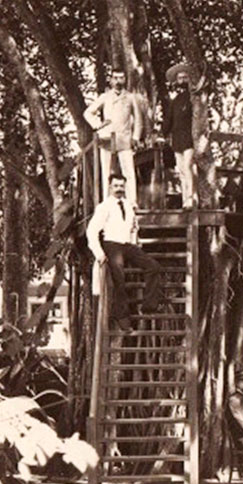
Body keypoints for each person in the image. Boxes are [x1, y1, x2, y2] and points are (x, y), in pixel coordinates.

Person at [86, 174, 161, 330]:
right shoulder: (104, 207)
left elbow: (133, 226)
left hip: (127, 245)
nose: (119, 189)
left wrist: (135, 242)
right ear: (110, 187)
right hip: (111, 244)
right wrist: (99, 254)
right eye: (116, 186)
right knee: (119, 279)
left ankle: (149, 307)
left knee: (153, 266)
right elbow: (91, 231)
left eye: (121, 186)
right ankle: (122, 317)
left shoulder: (127, 205)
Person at [84, 69, 144, 205]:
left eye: (121, 78)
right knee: (107, 171)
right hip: (107, 139)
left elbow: (138, 119)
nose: (118, 81)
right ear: (111, 80)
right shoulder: (105, 97)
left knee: (128, 170)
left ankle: (132, 202)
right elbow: (88, 113)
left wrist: (136, 137)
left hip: (125, 138)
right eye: (115, 78)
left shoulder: (130, 97)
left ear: (125, 80)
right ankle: (107, 201)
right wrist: (98, 125)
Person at [160, 63, 195, 208]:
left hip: (191, 138)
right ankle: (185, 200)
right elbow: (168, 120)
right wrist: (162, 134)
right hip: (178, 139)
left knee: (188, 167)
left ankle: (192, 198)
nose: (182, 81)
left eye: (185, 77)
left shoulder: (194, 98)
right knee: (181, 170)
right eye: (180, 78)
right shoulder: (175, 101)